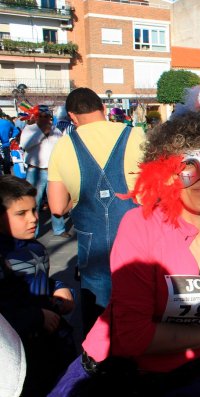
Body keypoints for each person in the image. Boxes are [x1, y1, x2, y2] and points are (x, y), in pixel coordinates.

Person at [50, 108, 200, 396]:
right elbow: (131, 337)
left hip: (191, 374)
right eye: (187, 165)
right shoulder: (141, 226)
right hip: (117, 375)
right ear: (167, 172)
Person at [47, 87, 145, 335]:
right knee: (139, 303)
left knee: (98, 312)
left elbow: (57, 208)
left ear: (72, 116)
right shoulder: (136, 135)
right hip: (138, 238)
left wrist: (76, 202)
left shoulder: (63, 146)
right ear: (103, 108)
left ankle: (99, 363)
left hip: (93, 246)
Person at [0, 175, 76, 396]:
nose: (33, 219)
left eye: (34, 210)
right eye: (21, 214)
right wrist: (37, 317)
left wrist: (60, 289)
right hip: (21, 351)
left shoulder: (36, 248)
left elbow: (44, 280)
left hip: (50, 344)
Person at [19, 105, 68, 238]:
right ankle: (33, 232)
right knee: (34, 202)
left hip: (53, 171)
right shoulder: (29, 129)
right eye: (40, 116)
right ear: (36, 117)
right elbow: (24, 145)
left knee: (55, 201)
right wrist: (42, 134)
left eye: (46, 116)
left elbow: (61, 147)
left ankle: (59, 229)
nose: (44, 119)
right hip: (35, 171)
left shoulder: (55, 130)